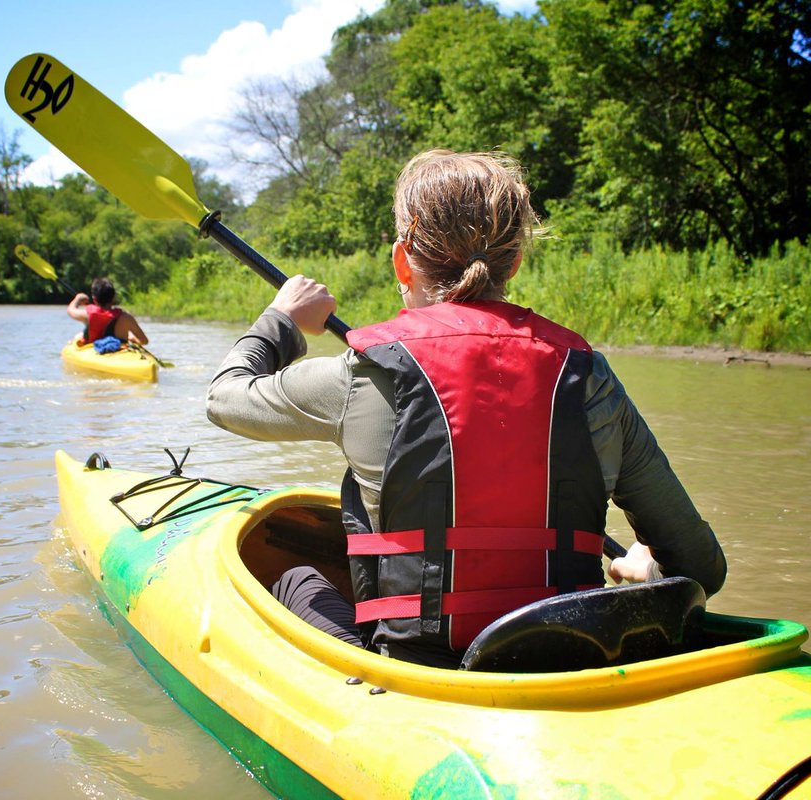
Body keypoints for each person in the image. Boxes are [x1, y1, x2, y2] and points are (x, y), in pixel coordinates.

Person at [206, 149, 726, 669]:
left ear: (402, 260)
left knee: (294, 578)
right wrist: (650, 569)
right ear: (516, 260)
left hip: (415, 673)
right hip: (572, 657)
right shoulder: (587, 376)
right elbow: (703, 566)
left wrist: (283, 318)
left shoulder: (365, 372)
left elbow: (225, 398)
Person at [67, 277, 149, 346]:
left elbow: (70, 310)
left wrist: (77, 299)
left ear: (94, 299)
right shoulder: (126, 317)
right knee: (79, 335)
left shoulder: (87, 315)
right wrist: (132, 338)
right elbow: (144, 341)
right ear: (113, 298)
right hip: (121, 352)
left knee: (77, 337)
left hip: (94, 352)